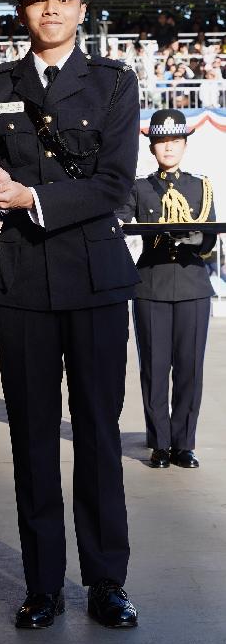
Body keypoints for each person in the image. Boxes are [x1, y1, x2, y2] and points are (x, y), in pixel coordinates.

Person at [0, 0, 140, 630]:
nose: (51, 8)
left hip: (96, 281)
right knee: (32, 439)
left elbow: (113, 182)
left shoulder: (113, 83)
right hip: (23, 285)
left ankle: (105, 582)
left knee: (97, 435)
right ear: (22, 8)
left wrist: (29, 198)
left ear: (80, 6)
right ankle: (42, 584)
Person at [116, 109, 216, 470]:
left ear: (184, 145)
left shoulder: (200, 187)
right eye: (161, 142)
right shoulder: (139, 187)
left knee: (190, 369)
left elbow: (210, 241)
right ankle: (159, 443)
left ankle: (184, 443)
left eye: (174, 141)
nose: (168, 148)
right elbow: (120, 222)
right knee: (155, 369)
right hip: (151, 286)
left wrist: (197, 238)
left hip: (192, 285)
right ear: (152, 148)